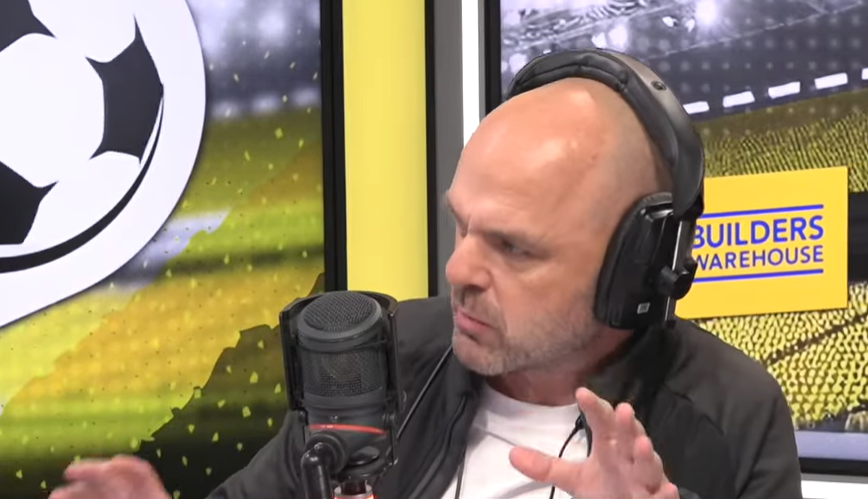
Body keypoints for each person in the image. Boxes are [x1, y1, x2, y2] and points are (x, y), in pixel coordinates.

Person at [48, 51, 803, 499]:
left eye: (514, 248)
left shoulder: (730, 415)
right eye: (461, 223)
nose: (459, 268)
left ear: (634, 267)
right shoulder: (386, 352)